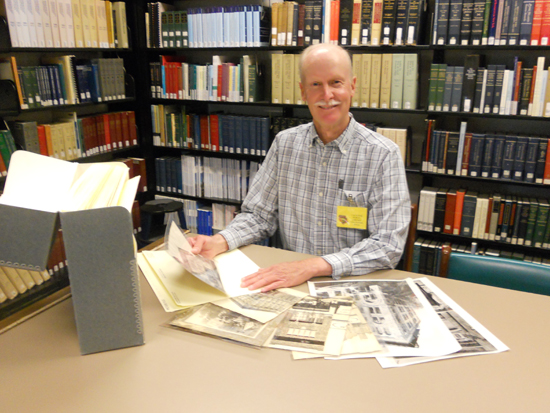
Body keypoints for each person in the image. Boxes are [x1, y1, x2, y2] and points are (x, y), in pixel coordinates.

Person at [189, 43, 411, 293]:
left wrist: (312, 267)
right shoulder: (285, 144)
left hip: (349, 284)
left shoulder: (383, 154)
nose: (327, 94)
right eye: (315, 84)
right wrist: (220, 241)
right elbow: (258, 215)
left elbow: (387, 245)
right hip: (290, 283)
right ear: (303, 92)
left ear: (352, 86)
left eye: (336, 82)